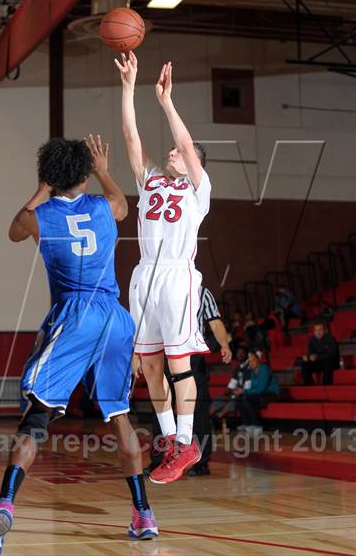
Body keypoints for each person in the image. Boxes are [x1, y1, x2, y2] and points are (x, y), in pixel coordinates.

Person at [0, 136, 158, 556]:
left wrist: (42, 187)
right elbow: (123, 204)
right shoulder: (103, 208)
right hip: (114, 315)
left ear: (50, 175)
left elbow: (14, 228)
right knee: (121, 419)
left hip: (75, 316)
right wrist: (104, 170)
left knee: (35, 421)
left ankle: (4, 505)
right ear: (83, 174)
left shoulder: (43, 217)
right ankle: (144, 514)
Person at [116, 52, 211, 484]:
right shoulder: (151, 181)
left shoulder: (198, 189)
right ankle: (172, 440)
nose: (173, 152)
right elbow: (132, 140)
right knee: (151, 366)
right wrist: (129, 89)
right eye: (170, 150)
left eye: (180, 152)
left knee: (179, 366)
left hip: (176, 276)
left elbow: (189, 147)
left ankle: (189, 441)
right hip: (144, 277)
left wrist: (166, 102)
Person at [144, 286, 232, 477]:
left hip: (192, 356)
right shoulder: (161, 287)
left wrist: (224, 344)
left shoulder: (203, 293)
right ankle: (160, 459)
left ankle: (201, 462)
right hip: (165, 352)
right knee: (161, 407)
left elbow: (215, 322)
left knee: (198, 408)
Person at [232, 351, 280, 434]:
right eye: (249, 361)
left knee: (247, 398)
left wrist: (244, 391)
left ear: (258, 360)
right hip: (258, 394)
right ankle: (247, 423)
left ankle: (257, 424)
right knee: (240, 398)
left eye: (253, 360)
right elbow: (250, 387)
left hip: (271, 394)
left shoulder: (264, 369)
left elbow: (261, 388)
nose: (251, 363)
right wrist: (241, 391)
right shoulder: (251, 373)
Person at [209, 346, 250, 423]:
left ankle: (218, 417)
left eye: (242, 353)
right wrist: (226, 394)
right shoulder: (238, 368)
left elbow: (248, 388)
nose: (240, 355)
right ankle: (207, 418)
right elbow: (231, 386)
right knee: (220, 398)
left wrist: (235, 393)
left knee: (234, 400)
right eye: (238, 353)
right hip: (235, 393)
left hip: (245, 395)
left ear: (246, 354)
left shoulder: (249, 367)